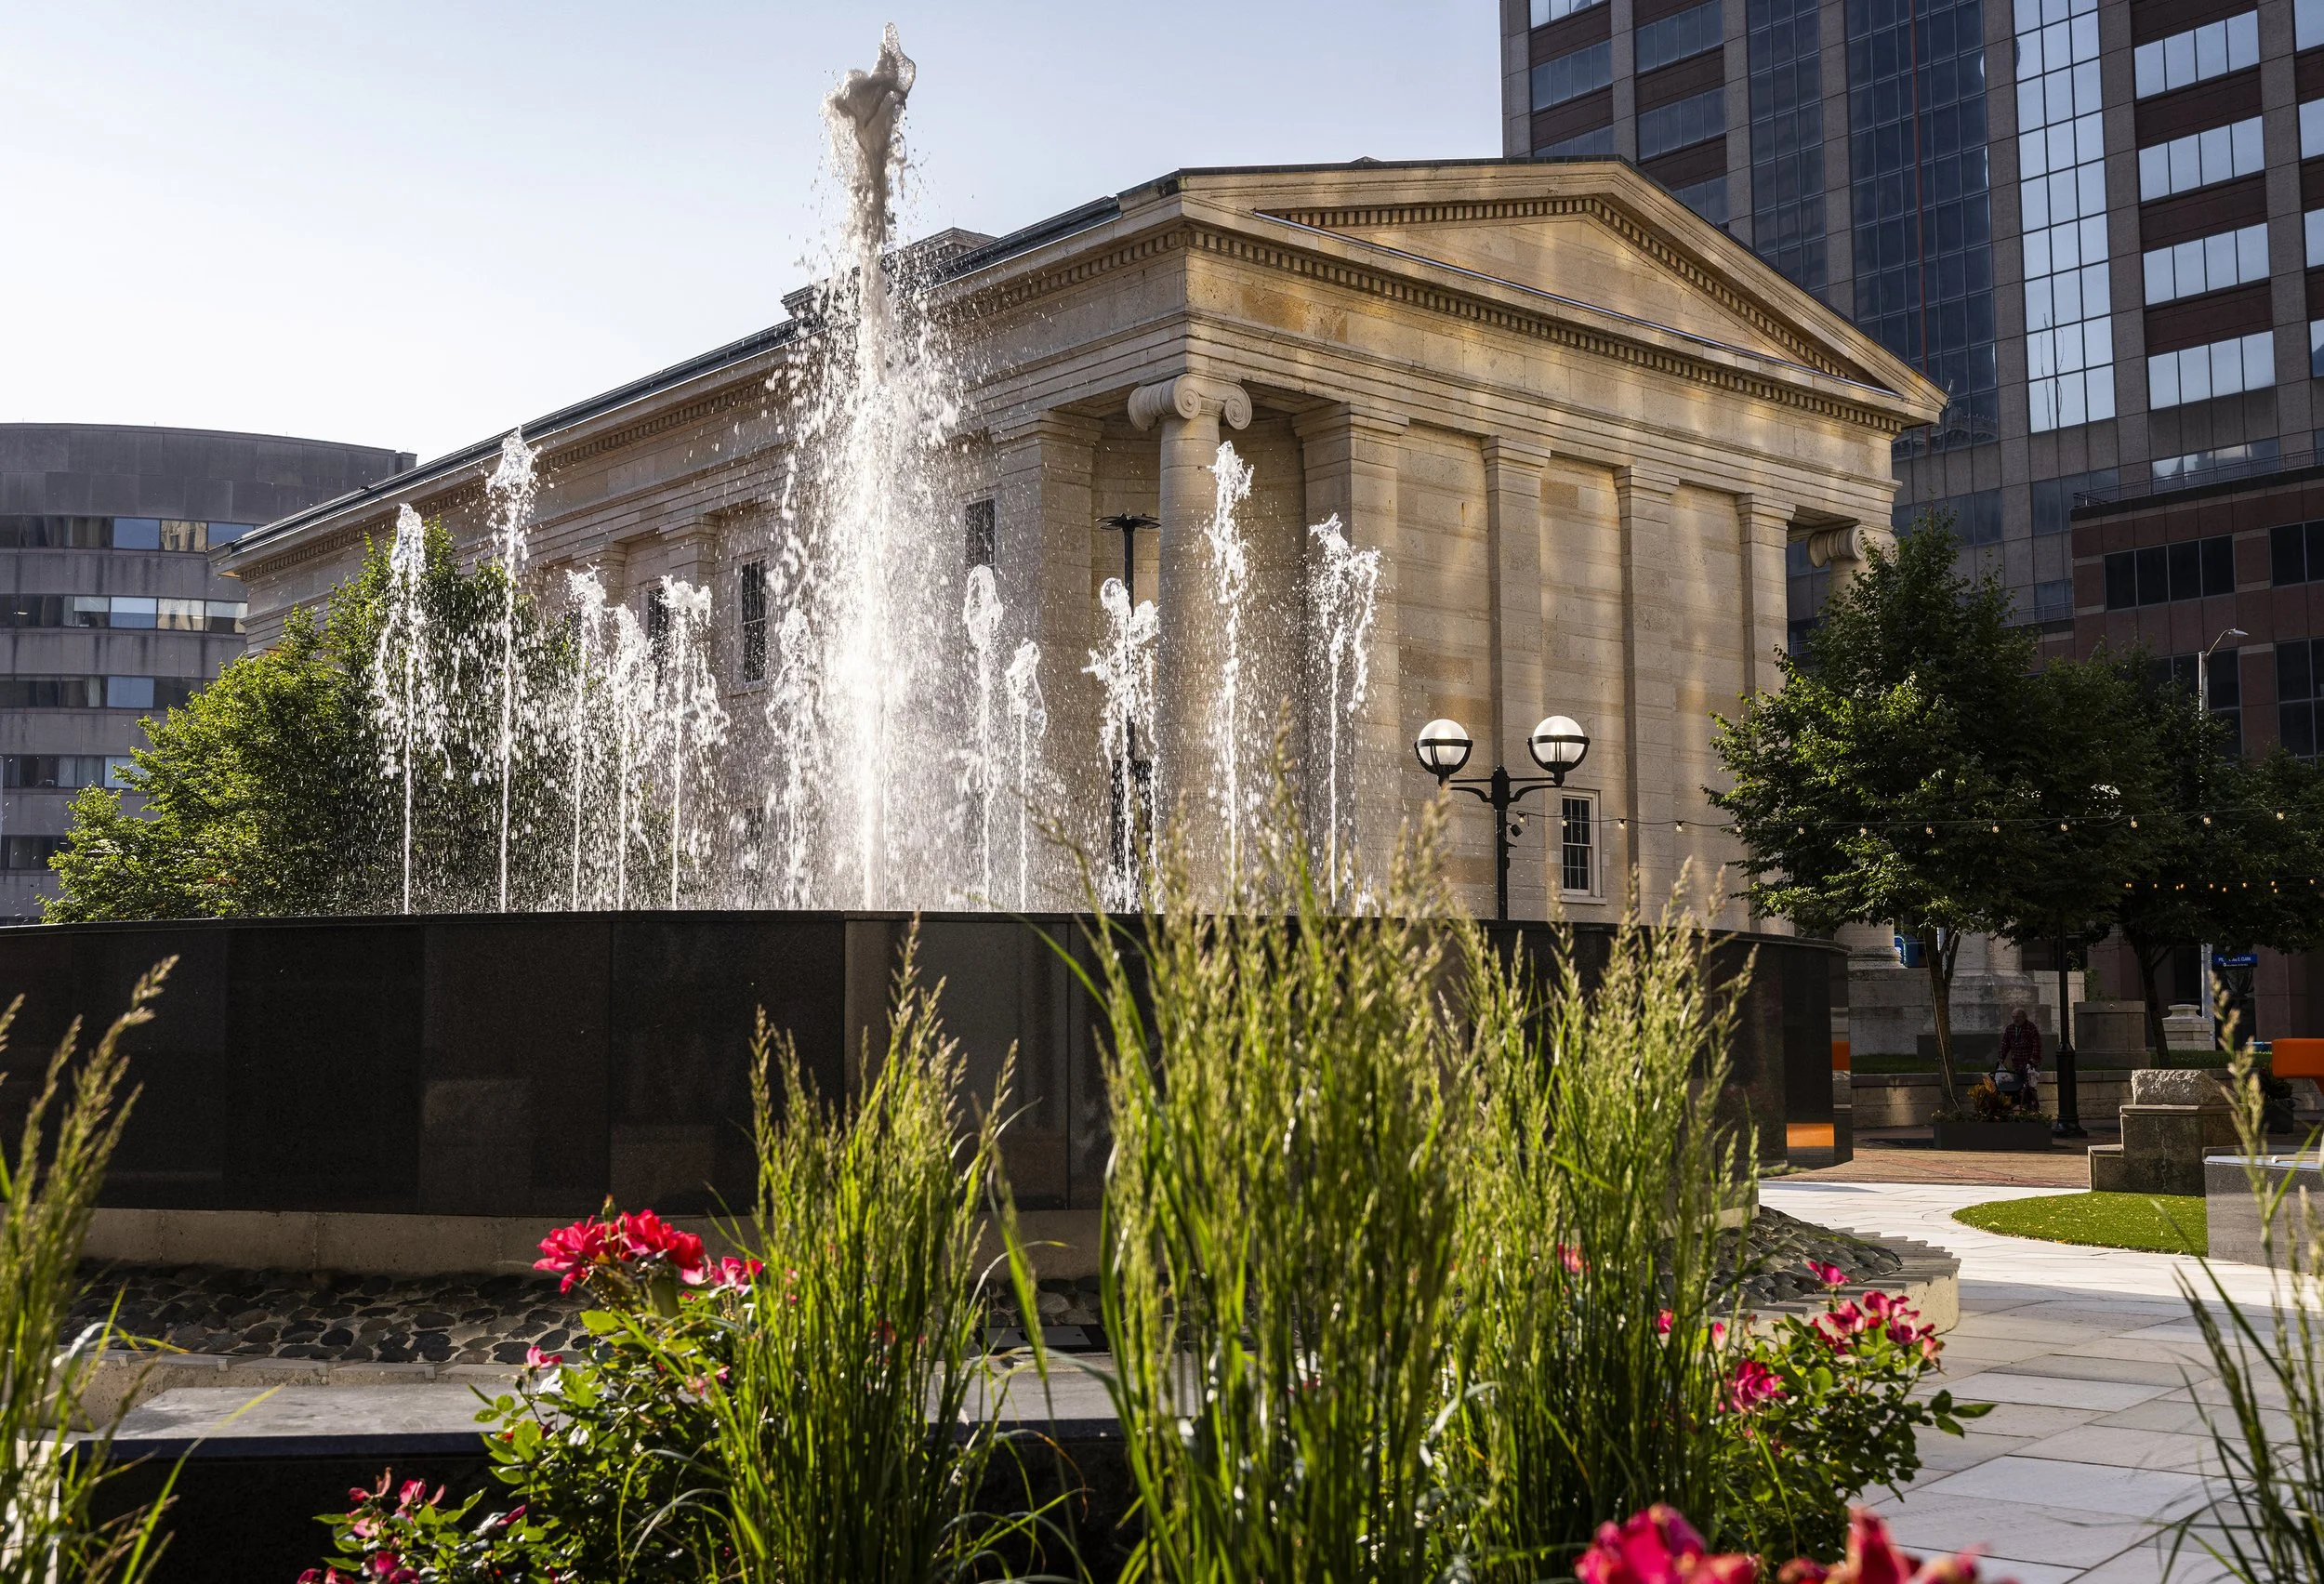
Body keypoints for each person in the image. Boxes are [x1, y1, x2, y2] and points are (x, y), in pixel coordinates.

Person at [1998, 1006, 2043, 1112]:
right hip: (2017, 1062)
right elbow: (2005, 1044)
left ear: (2023, 1017)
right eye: (2013, 1017)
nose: (2015, 1019)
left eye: (2017, 1017)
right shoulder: (2010, 1029)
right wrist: (2001, 1057)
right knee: (2018, 1084)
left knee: (2029, 1086)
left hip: (2029, 1062)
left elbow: (2036, 1044)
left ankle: (2032, 1107)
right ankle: (2021, 1105)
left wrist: (2033, 1059)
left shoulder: (2030, 1027)